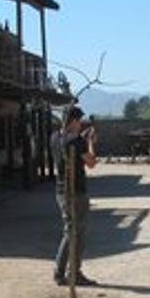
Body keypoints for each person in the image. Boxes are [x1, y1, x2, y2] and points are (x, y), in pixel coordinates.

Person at [54, 106, 99, 286]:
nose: (80, 125)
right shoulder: (76, 141)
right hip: (75, 191)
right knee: (76, 234)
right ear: (73, 121)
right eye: (79, 121)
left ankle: (61, 271)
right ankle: (73, 272)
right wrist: (90, 142)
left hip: (60, 191)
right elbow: (91, 163)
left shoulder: (55, 138)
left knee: (70, 231)